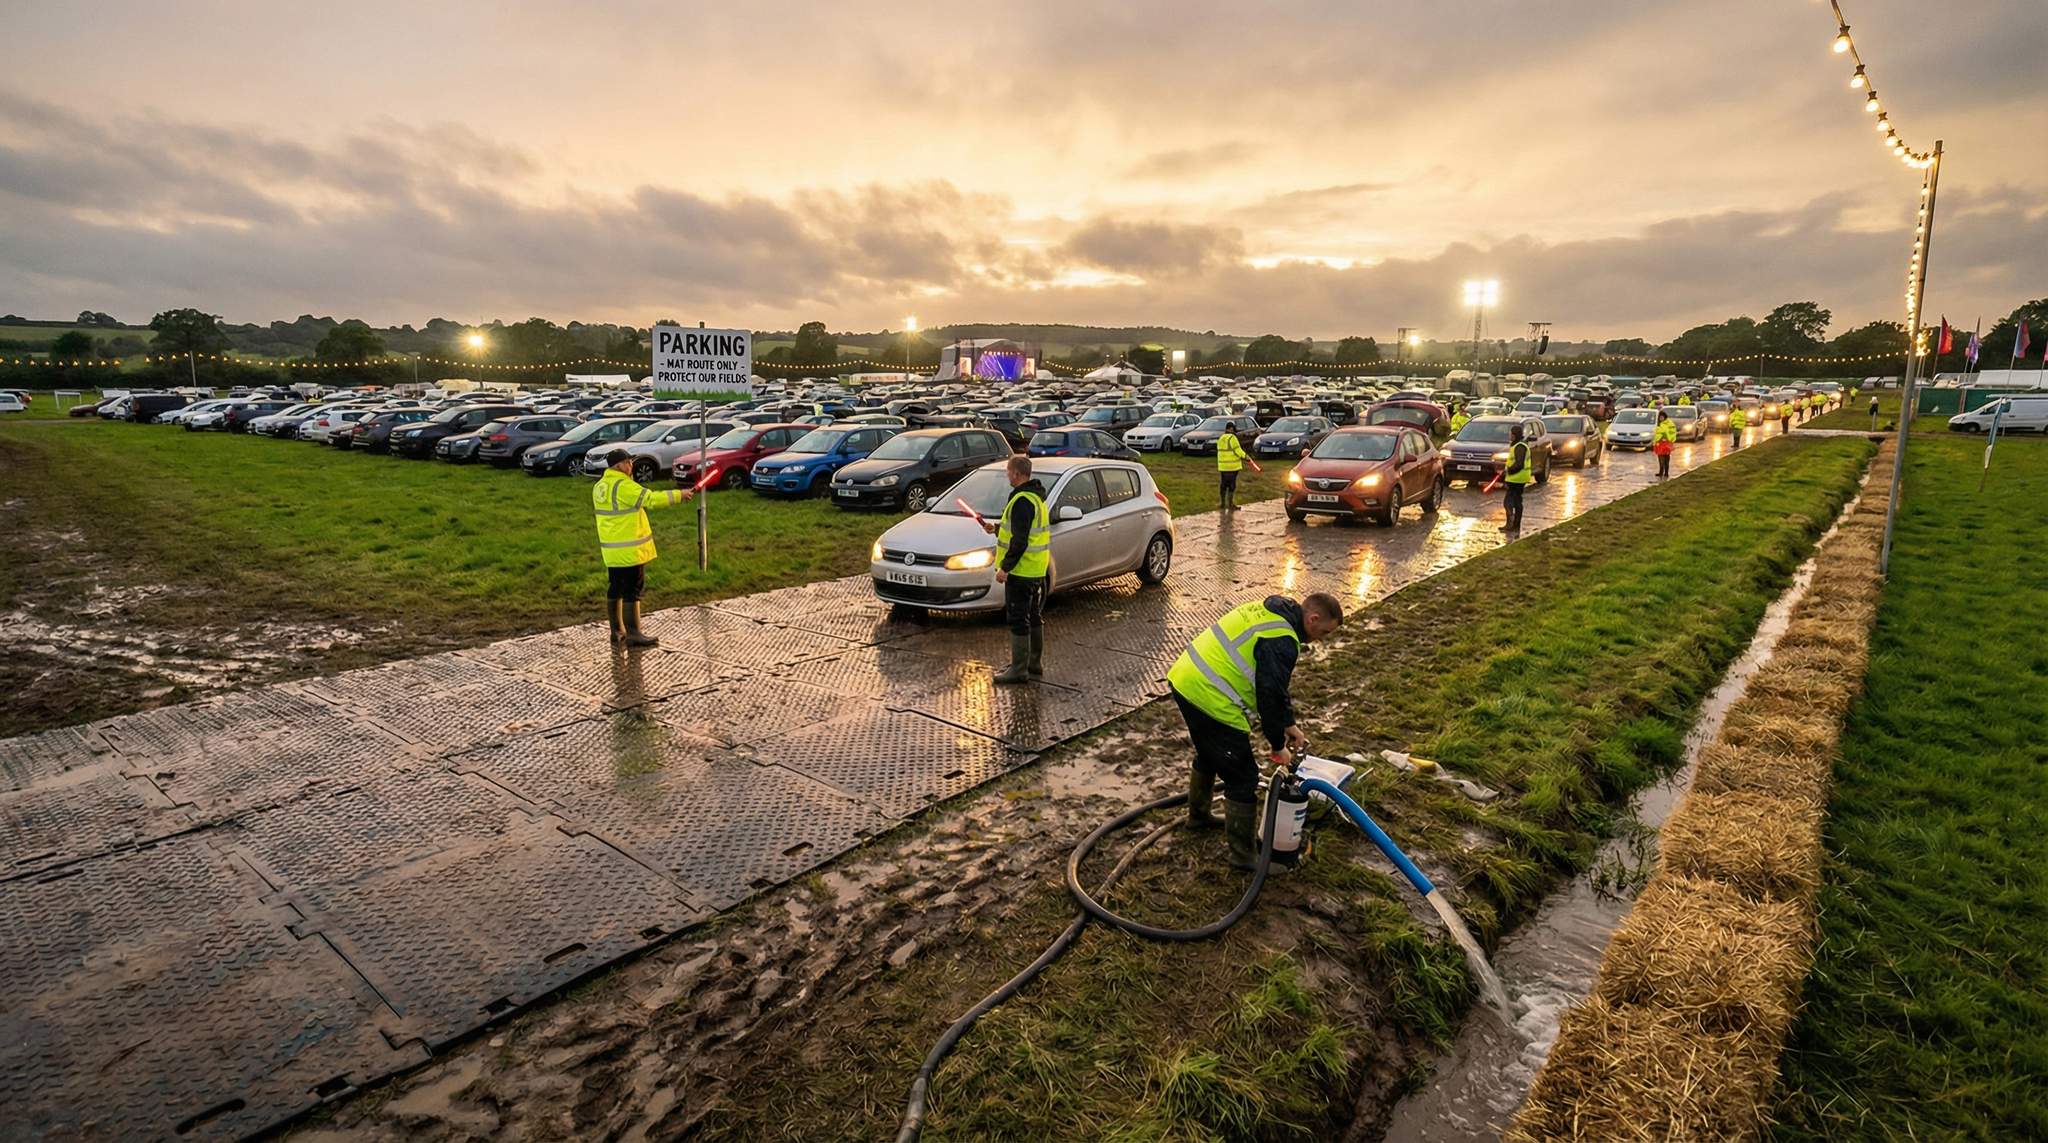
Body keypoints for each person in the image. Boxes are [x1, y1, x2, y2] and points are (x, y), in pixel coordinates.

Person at [1168, 592, 1346, 870]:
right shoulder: (1282, 640)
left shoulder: (1272, 612)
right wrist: (1278, 746)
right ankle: (1243, 857)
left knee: (1211, 753)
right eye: (1323, 632)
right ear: (1312, 619)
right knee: (1243, 777)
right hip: (1208, 694)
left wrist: (1290, 726)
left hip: (1186, 677)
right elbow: (1269, 696)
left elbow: (1274, 686)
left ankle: (1199, 818)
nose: (1321, 639)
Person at [593, 448, 694, 648]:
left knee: (615, 588)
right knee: (633, 590)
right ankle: (634, 633)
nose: (631, 465)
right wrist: (679, 495)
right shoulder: (623, 486)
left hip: (612, 549)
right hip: (630, 550)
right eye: (629, 462)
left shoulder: (600, 486)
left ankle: (617, 631)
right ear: (619, 465)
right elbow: (650, 499)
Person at [983, 454, 1049, 685]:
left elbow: (1020, 541)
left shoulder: (1022, 501)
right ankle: (1033, 663)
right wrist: (997, 528)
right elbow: (1023, 530)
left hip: (1021, 571)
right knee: (1033, 616)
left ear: (1016, 473)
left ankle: (1019, 670)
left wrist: (1005, 568)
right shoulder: (1035, 498)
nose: (1007, 474)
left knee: (1018, 618)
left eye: (1008, 471)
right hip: (1035, 570)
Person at [1216, 420, 1260, 512]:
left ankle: (1222, 504)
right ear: (1231, 429)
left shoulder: (1221, 438)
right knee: (1231, 486)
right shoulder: (1232, 438)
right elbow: (1238, 451)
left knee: (1223, 485)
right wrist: (1246, 457)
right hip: (1232, 467)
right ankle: (1231, 504)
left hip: (1222, 467)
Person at [1501, 424, 1533, 531]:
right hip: (1516, 477)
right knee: (1516, 501)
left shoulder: (1520, 447)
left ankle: (1511, 524)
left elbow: (1519, 464)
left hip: (1517, 478)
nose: (1509, 435)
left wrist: (1509, 470)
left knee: (1508, 502)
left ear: (1514, 435)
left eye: (1510, 433)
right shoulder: (1517, 445)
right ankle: (1515, 525)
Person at [1652, 410, 1677, 477]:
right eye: (1660, 417)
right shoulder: (1661, 424)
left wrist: (1667, 437)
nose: (1661, 418)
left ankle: (1665, 473)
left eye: (1662, 417)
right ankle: (1661, 472)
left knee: (1666, 458)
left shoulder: (1668, 424)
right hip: (1660, 443)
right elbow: (1657, 433)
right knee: (1661, 458)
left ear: (1665, 417)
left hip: (1666, 443)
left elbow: (1669, 432)